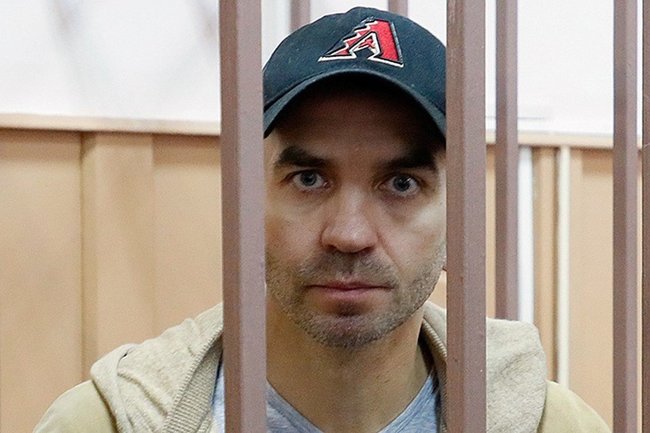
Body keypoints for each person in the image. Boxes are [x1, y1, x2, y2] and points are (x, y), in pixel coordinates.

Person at [35, 7, 610, 433]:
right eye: (309, 179)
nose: (349, 235)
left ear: (457, 219)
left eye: (401, 184)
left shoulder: (554, 425)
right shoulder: (101, 424)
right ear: (247, 202)